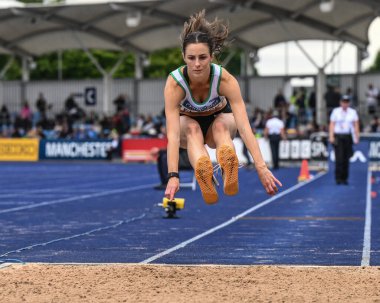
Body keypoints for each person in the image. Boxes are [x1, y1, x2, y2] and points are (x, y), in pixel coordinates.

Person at [164, 10, 281, 204]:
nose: (197, 64)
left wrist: (261, 167)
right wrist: (173, 175)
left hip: (219, 120)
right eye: (191, 58)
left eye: (202, 57)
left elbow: (244, 127)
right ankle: (204, 170)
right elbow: (173, 135)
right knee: (192, 130)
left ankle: (228, 164)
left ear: (211, 56)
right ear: (183, 56)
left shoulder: (225, 79)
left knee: (220, 127)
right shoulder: (175, 84)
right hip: (187, 126)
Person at [329, 95, 360, 185]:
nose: (345, 104)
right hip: (338, 136)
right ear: (340, 102)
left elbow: (356, 125)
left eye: (347, 102)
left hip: (347, 136)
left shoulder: (353, 112)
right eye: (343, 102)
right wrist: (331, 136)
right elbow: (332, 124)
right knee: (339, 158)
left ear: (349, 103)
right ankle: (338, 178)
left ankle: (344, 178)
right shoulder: (336, 111)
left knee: (346, 158)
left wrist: (357, 137)